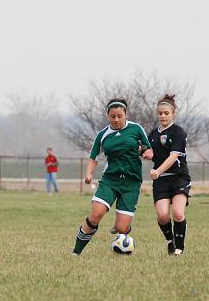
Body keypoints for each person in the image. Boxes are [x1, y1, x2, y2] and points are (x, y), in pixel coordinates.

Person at [72, 99, 153, 255]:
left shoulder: (136, 129)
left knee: (122, 229)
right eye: (113, 116)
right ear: (108, 116)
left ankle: (123, 230)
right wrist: (88, 174)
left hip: (131, 183)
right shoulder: (103, 135)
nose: (116, 119)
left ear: (126, 115)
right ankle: (75, 252)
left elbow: (148, 148)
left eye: (119, 116)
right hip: (110, 180)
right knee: (95, 215)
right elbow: (93, 157)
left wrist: (148, 152)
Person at [148, 94, 191, 255]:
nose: (163, 116)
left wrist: (157, 171)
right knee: (163, 215)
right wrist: (144, 152)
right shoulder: (153, 134)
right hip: (161, 182)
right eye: (160, 113)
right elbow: (146, 150)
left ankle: (179, 249)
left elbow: (173, 157)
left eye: (166, 113)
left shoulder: (179, 132)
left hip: (179, 177)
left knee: (178, 214)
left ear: (173, 113)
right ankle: (170, 241)